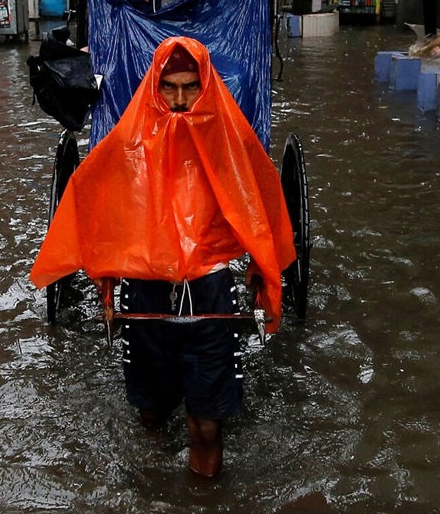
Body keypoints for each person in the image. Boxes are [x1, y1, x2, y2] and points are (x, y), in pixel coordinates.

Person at [30, 37, 295, 477]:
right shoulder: (128, 146)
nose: (178, 100)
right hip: (146, 292)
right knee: (150, 417)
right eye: (168, 87)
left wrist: (261, 272)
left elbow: (260, 210)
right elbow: (104, 212)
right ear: (155, 88)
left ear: (206, 87)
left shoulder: (232, 144)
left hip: (210, 293)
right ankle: (152, 501)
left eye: (190, 87)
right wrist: (107, 287)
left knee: (207, 428)